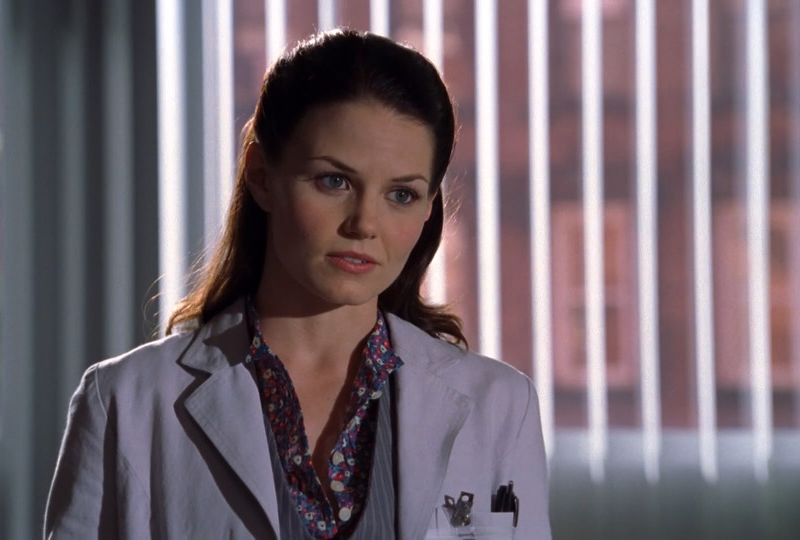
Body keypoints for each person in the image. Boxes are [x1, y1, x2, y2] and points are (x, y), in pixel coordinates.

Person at [44, 29, 550, 539]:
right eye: (334, 181)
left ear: (427, 209)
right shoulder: (126, 402)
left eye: (401, 194)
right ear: (261, 175)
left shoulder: (500, 407)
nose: (364, 224)